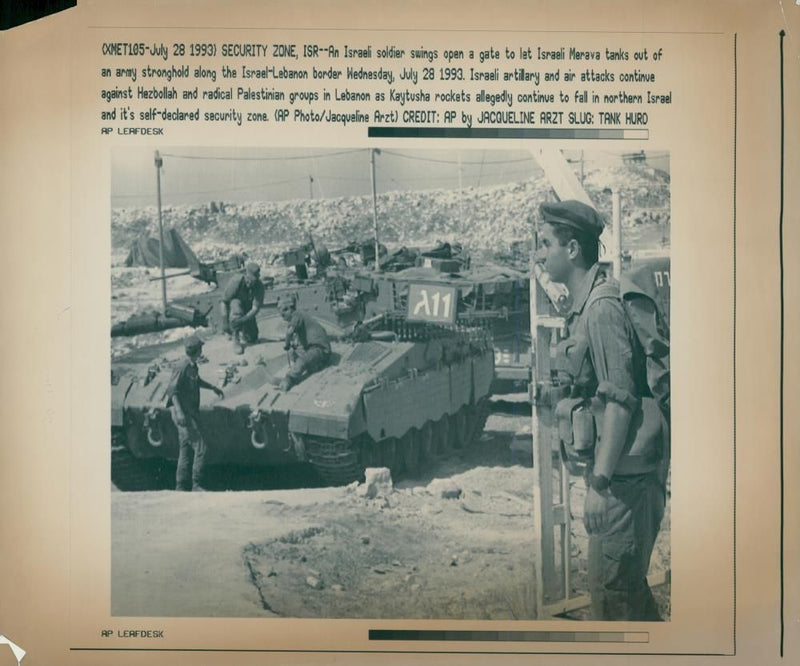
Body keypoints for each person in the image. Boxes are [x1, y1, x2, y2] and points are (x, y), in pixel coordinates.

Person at [536, 199, 668, 621]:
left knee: (615, 600)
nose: (540, 254)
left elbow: (620, 401)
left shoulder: (602, 309)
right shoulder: (587, 306)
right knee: (623, 597)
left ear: (572, 249)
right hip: (621, 481)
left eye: (545, 244)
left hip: (622, 486)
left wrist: (599, 483)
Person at [166, 335, 224, 491]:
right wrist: (179, 412)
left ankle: (180, 486)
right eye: (200, 348)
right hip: (183, 413)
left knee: (185, 449)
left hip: (188, 412)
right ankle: (197, 484)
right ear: (198, 350)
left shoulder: (192, 366)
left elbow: (196, 381)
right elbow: (172, 391)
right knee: (201, 447)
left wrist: (212, 387)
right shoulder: (182, 366)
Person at [278, 298, 331, 391]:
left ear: (289, 309)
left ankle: (289, 379)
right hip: (315, 348)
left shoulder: (296, 315)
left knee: (302, 361)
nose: (283, 318)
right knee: (295, 354)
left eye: (283, 314)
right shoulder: (300, 316)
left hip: (319, 348)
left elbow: (290, 332)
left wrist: (286, 344)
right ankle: (316, 365)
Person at [220, 262, 264, 354]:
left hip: (248, 311)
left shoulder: (259, 287)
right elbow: (223, 301)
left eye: (253, 280)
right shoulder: (236, 281)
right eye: (248, 279)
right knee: (236, 304)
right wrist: (225, 323)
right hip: (234, 307)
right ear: (245, 275)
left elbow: (255, 309)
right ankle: (235, 338)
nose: (249, 283)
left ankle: (243, 332)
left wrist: (244, 320)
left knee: (252, 338)